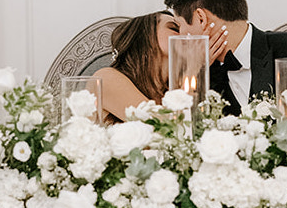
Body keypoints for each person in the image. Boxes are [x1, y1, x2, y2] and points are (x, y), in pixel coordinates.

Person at [88, 11, 230, 124]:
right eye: (174, 28)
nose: (184, 34)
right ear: (144, 38)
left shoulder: (174, 88)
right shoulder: (105, 79)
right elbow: (163, 128)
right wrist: (195, 66)